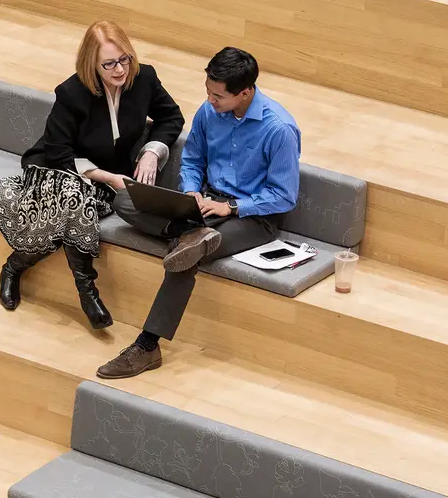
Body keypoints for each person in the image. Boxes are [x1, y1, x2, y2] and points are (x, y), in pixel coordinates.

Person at [97, 47, 301, 378]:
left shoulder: (278, 129)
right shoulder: (209, 113)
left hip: (252, 217)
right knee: (125, 201)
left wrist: (232, 206)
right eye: (207, 90)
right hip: (203, 206)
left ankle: (147, 346)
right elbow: (192, 160)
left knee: (187, 256)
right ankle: (191, 235)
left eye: (218, 95)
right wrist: (191, 190)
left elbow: (283, 196)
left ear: (245, 92)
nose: (210, 101)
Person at [0, 21, 185, 329]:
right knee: (74, 199)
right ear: (92, 64)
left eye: (124, 59)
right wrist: (108, 178)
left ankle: (14, 266)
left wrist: (153, 152)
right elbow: (59, 151)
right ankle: (87, 292)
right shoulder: (72, 93)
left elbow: (172, 117)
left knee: (73, 205)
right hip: (59, 168)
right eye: (109, 64)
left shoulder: (144, 78)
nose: (120, 70)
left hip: (107, 177)